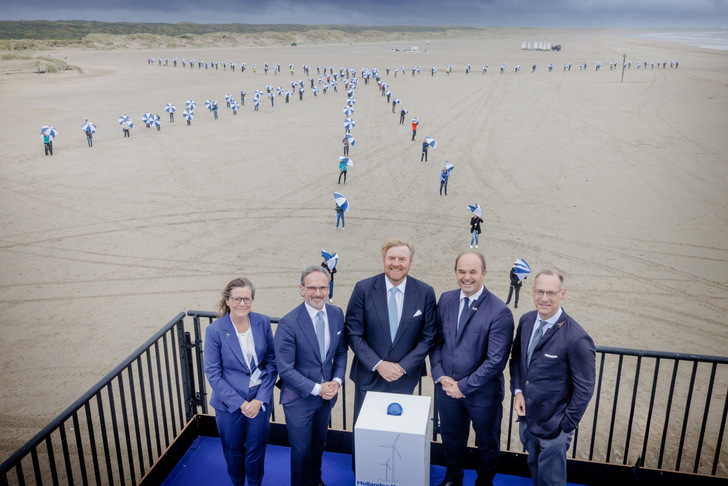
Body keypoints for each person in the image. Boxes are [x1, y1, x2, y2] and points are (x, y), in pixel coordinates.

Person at [430, 251, 514, 486]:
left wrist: (463, 387)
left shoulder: (500, 311)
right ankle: (452, 478)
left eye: (473, 272)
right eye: (462, 271)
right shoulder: (445, 299)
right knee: (451, 438)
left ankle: (484, 482)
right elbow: (436, 341)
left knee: (487, 442)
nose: (467, 277)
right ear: (456, 273)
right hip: (447, 390)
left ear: (484, 274)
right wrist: (439, 375)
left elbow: (496, 361)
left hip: (483, 395)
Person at [509, 270, 596, 486]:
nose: (544, 298)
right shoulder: (527, 321)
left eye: (551, 292)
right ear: (532, 291)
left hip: (555, 426)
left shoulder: (577, 338)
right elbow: (518, 357)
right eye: (539, 291)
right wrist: (518, 391)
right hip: (528, 418)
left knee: (552, 481)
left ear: (562, 293)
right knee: (536, 470)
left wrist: (565, 425)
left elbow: (585, 388)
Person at [345, 238, 437, 426]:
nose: (396, 264)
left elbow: (429, 337)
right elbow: (353, 333)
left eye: (402, 259)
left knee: (398, 433)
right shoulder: (363, 289)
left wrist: (402, 367)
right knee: (366, 433)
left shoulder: (425, 292)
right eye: (391, 258)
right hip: (369, 377)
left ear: (410, 263)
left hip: (403, 379)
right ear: (384, 261)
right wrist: (378, 364)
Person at [274, 266, 348, 486]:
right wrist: (317, 388)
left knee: (319, 445)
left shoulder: (336, 314)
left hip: (325, 398)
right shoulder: (289, 323)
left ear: (329, 288)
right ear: (302, 289)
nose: (318, 293)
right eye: (312, 288)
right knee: (301, 451)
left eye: (323, 287)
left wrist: (336, 381)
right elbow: (285, 369)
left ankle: (316, 481)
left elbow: (341, 352)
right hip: (298, 399)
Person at [204, 278, 277, 486]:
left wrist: (260, 399)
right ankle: (237, 483)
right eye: (237, 299)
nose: (242, 303)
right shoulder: (215, 330)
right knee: (233, 451)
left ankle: (255, 483)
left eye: (247, 298)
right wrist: (242, 404)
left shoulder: (262, 322)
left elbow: (271, 363)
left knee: (256, 449)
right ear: (227, 300)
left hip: (258, 401)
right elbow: (213, 373)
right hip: (229, 405)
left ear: (252, 300)